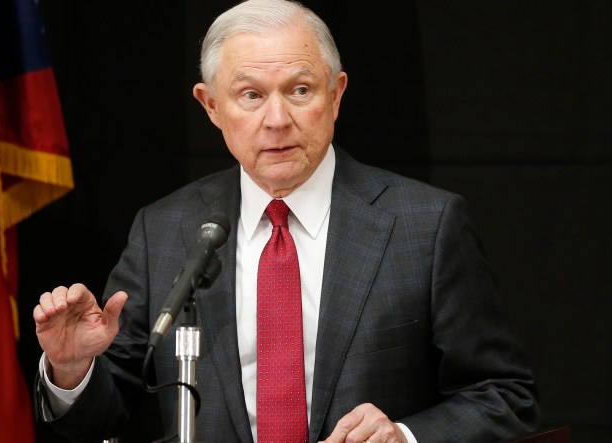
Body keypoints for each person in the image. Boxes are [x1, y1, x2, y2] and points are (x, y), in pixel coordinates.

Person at [32, 0, 540, 441]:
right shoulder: (165, 230)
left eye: (299, 90)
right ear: (211, 106)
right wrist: (73, 369)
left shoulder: (425, 225)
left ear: (336, 94)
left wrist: (404, 436)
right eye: (251, 95)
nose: (277, 120)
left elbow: (505, 396)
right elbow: (105, 416)